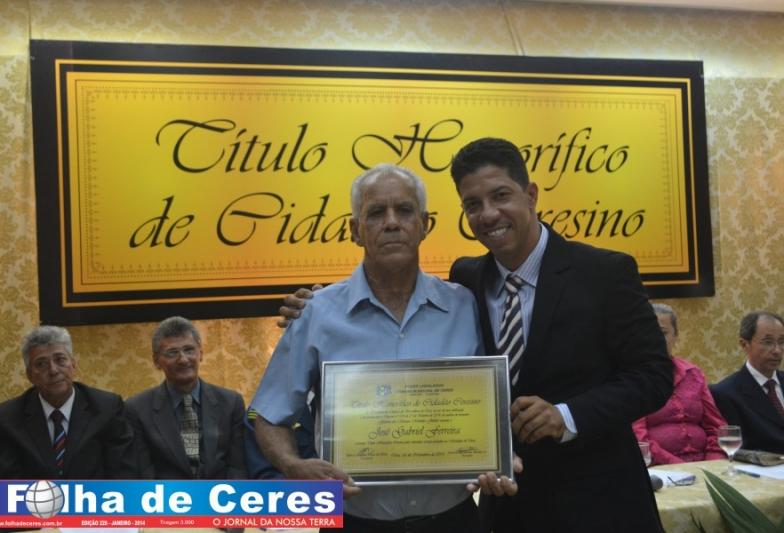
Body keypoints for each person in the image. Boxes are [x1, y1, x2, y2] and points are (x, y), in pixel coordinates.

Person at [281, 139, 672, 532]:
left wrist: (566, 415)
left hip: (599, 505)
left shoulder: (605, 272)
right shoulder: (467, 281)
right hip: (506, 510)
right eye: (472, 204)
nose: (488, 214)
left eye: (500, 196)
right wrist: (317, 305)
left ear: (531, 195)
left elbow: (653, 377)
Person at [252, 163, 515, 533]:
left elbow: (491, 405)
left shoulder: (465, 305)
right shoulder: (318, 313)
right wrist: (293, 465)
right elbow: (268, 416)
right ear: (355, 230)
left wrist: (497, 456)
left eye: (404, 210)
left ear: (425, 225)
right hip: (354, 523)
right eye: (376, 212)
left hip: (454, 521)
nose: (392, 223)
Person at [0, 325, 136, 478]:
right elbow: (4, 486)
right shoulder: (5, 420)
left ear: (73, 365)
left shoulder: (107, 408)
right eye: (41, 364)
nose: (53, 370)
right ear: (29, 375)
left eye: (60, 359)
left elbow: (124, 476)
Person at [125, 316, 247, 479]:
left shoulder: (231, 402)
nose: (183, 359)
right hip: (165, 493)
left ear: (201, 353)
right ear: (156, 361)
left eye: (189, 350)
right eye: (172, 352)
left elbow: (238, 467)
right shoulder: (136, 409)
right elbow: (144, 472)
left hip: (222, 493)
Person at [632, 303, 726, 464]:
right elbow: (639, 438)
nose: (656, 338)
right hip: (659, 468)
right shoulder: (634, 378)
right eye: (649, 332)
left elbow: (717, 427)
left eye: (663, 332)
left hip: (705, 466)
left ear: (676, 336)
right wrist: (679, 467)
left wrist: (713, 463)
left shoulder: (693, 373)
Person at [710, 311, 784, 454]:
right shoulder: (726, 394)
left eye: (781, 342)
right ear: (744, 344)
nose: (777, 350)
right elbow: (737, 450)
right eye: (768, 342)